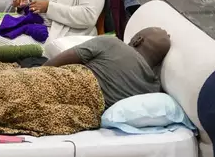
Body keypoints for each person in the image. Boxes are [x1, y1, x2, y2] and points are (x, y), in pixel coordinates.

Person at [44, 27, 172, 108]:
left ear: (138, 40)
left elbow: (52, 64)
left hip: (52, 89)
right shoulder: (153, 89)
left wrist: (32, 73)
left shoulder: (112, 43)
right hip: (75, 113)